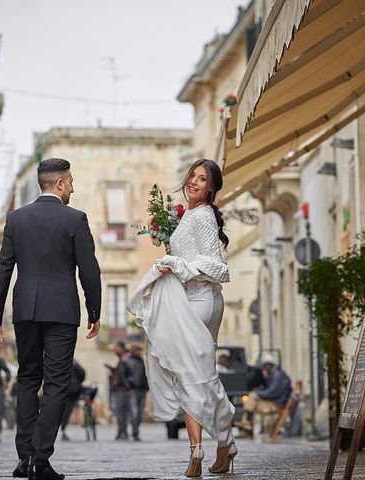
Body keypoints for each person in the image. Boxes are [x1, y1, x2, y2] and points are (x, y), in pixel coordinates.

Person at [0, 158, 101, 480]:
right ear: (60, 184)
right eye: (71, 182)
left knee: (27, 378)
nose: (73, 188)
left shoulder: (16, 219)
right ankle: (40, 460)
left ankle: (25, 458)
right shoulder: (75, 219)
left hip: (25, 310)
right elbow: (89, 270)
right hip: (62, 311)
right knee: (57, 382)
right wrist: (95, 312)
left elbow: (3, 271)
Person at [127, 159, 237, 477]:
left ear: (211, 187)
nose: (194, 182)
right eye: (192, 175)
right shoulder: (189, 214)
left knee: (191, 376)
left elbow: (219, 268)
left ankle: (201, 450)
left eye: (202, 179)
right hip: (191, 299)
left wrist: (177, 265)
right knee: (196, 374)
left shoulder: (202, 216)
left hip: (200, 299)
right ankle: (218, 445)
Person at [237, 352, 292, 437]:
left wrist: (258, 392)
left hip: (277, 404)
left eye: (265, 366)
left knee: (252, 397)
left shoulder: (277, 375)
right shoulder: (274, 373)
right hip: (275, 402)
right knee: (251, 398)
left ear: (269, 365)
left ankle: (246, 423)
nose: (264, 368)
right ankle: (246, 423)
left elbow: (272, 392)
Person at [120, 343, 149, 441]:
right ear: (134, 350)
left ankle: (136, 431)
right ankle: (134, 432)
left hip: (142, 389)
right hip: (132, 389)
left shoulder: (141, 361)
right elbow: (123, 376)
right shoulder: (126, 361)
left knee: (140, 413)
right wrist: (128, 387)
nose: (139, 352)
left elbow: (144, 375)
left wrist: (146, 387)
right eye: (138, 350)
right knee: (134, 412)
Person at [105, 341, 131, 440]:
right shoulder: (123, 357)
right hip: (122, 388)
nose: (114, 349)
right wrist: (112, 369)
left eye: (115, 347)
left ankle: (122, 433)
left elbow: (123, 375)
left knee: (121, 412)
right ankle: (122, 432)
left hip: (122, 388)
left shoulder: (124, 358)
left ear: (120, 347)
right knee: (122, 412)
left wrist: (127, 387)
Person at [59, 359, 85, 441]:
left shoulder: (59, 360)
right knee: (68, 408)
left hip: (64, 387)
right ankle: (63, 428)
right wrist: (78, 381)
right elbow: (82, 372)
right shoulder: (74, 361)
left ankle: (62, 428)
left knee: (64, 409)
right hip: (75, 388)